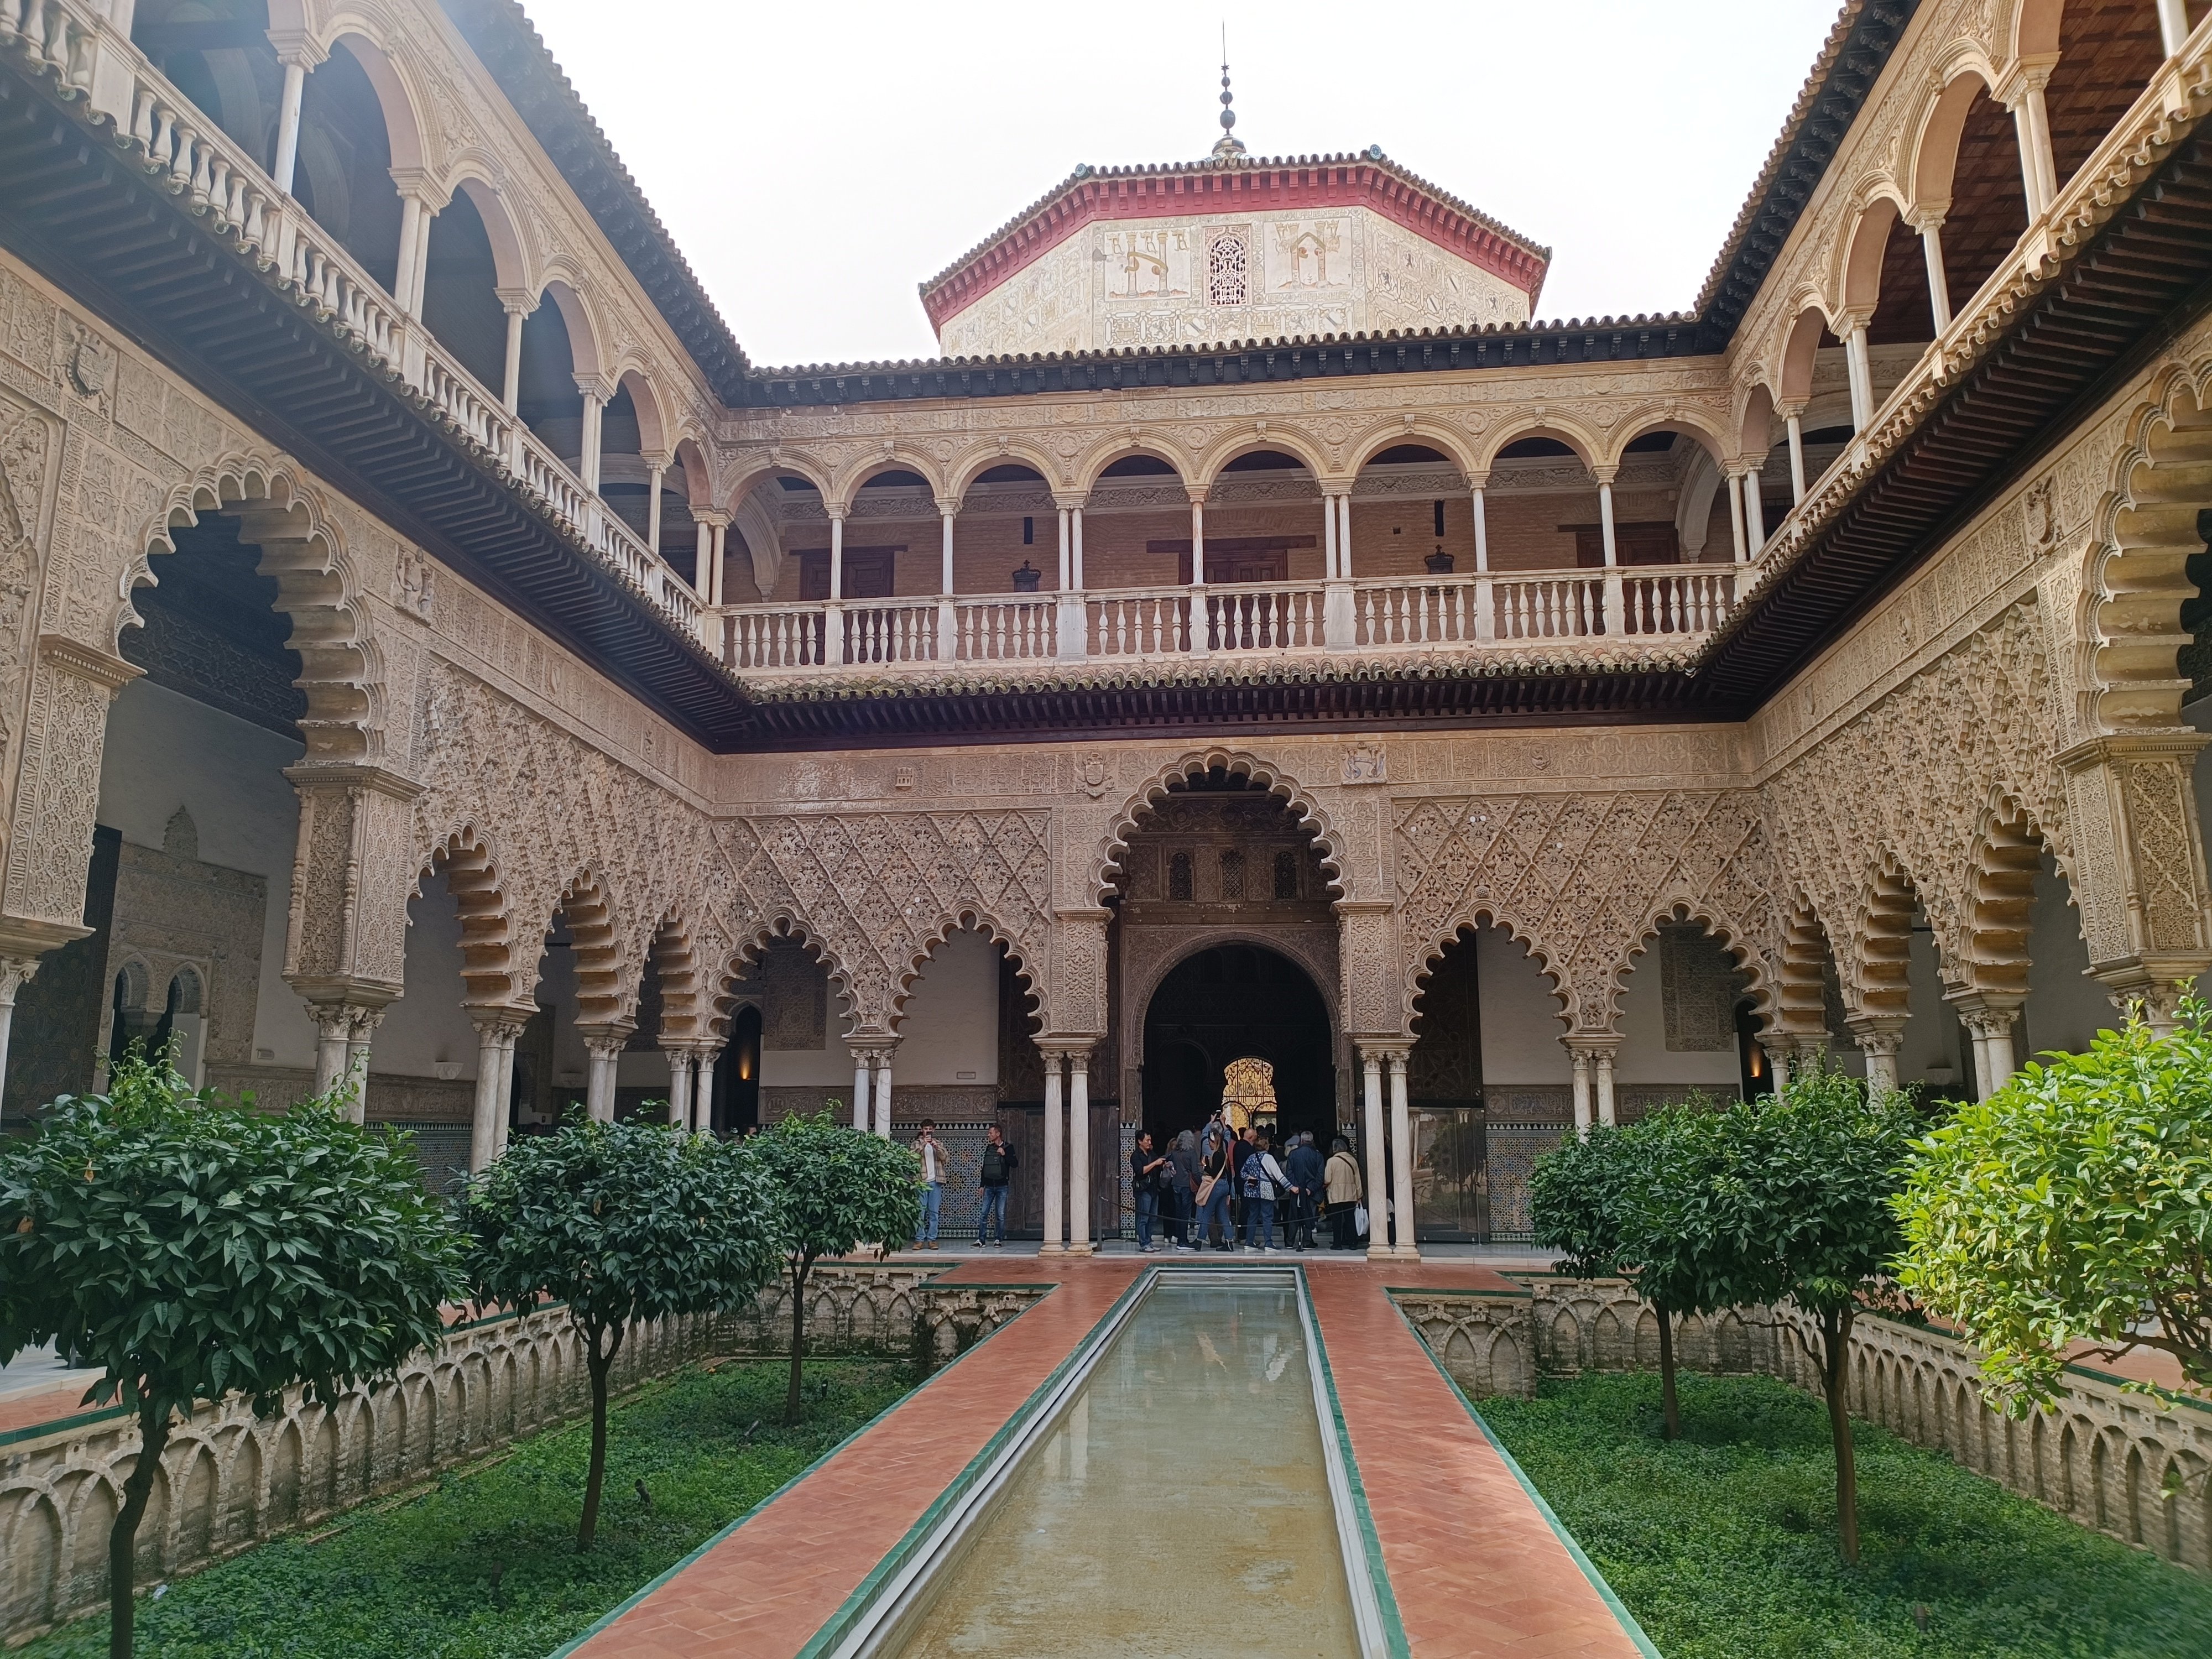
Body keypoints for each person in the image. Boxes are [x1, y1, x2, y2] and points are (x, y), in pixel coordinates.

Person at [1240, 1130, 1291, 1253]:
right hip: (1265, 1190)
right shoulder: (1269, 1158)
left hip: (1252, 1190)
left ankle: (1249, 1242)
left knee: (1252, 1216)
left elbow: (1242, 1173)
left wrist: (1249, 1178)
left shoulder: (1251, 1157)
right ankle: (1268, 1243)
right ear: (1267, 1146)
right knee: (1267, 1216)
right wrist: (1291, 1187)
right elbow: (1278, 1175)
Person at [1196, 1117, 1235, 1250]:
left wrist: (1205, 1164)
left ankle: (1199, 1241)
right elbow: (1228, 1133)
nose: (1209, 1145)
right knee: (1223, 1215)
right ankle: (1229, 1243)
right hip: (1225, 1185)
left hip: (1217, 1186)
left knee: (1206, 1213)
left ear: (1213, 1141)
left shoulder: (1216, 1155)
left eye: (1210, 1143)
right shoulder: (1223, 1150)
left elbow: (1212, 1172)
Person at [1285, 1130, 1325, 1251]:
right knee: (1310, 1215)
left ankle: (1290, 1242)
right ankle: (1307, 1241)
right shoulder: (1318, 1155)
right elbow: (1320, 1176)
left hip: (1296, 1190)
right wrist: (1310, 1189)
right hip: (1310, 1191)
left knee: (1294, 1216)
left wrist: (1295, 1187)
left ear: (1301, 1141)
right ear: (1312, 1141)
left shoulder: (1293, 1154)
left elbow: (1289, 1173)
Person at [978, 1121, 1016, 1248]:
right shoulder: (989, 1148)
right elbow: (985, 1168)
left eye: (991, 1133)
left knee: (1000, 1214)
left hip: (1002, 1186)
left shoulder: (1009, 1147)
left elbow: (1015, 1164)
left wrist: (1004, 1155)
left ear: (998, 1134)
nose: (989, 1135)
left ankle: (998, 1239)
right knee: (984, 1213)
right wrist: (982, 1185)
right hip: (989, 1186)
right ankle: (981, 1240)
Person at [1130, 1130, 1169, 1253]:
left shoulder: (1151, 1153)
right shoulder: (1136, 1156)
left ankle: (1149, 1241)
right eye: (1147, 1140)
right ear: (1140, 1141)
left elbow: (1158, 1165)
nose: (1149, 1143)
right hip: (1143, 1190)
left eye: (1150, 1140)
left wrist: (1164, 1165)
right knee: (1144, 1218)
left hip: (1153, 1189)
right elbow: (1141, 1171)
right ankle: (1144, 1244)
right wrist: (1155, 1163)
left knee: (1153, 1218)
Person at [1324, 1134, 1364, 1250]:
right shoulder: (1353, 1160)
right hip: (1350, 1194)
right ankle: (1353, 1243)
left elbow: (1327, 1179)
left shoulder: (1331, 1161)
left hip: (1336, 1195)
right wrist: (1359, 1195)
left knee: (1337, 1220)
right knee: (1350, 1219)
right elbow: (1358, 1179)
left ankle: (1337, 1244)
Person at [912, 1120, 943, 1249]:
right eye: (926, 1129)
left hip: (936, 1182)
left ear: (934, 1130)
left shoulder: (939, 1144)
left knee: (934, 1213)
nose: (928, 1131)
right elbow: (911, 1157)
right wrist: (924, 1144)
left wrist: (937, 1147)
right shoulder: (916, 1144)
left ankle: (932, 1240)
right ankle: (919, 1240)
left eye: (930, 1129)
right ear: (922, 1130)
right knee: (920, 1212)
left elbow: (946, 1158)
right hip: (921, 1182)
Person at [1168, 1129, 1199, 1250]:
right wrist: (1201, 1183)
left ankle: (1181, 1239)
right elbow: (1195, 1172)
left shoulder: (1175, 1153)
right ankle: (1183, 1241)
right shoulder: (1191, 1153)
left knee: (1178, 1213)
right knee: (1185, 1214)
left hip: (1176, 1184)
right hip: (1187, 1185)